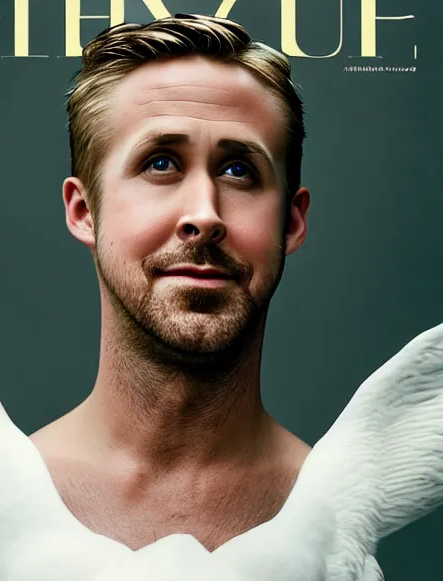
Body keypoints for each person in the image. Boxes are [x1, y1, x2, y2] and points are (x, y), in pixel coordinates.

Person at [29, 13, 312, 552]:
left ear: (292, 222)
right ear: (85, 210)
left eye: (238, 171)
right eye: (161, 163)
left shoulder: (339, 510)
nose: (204, 216)